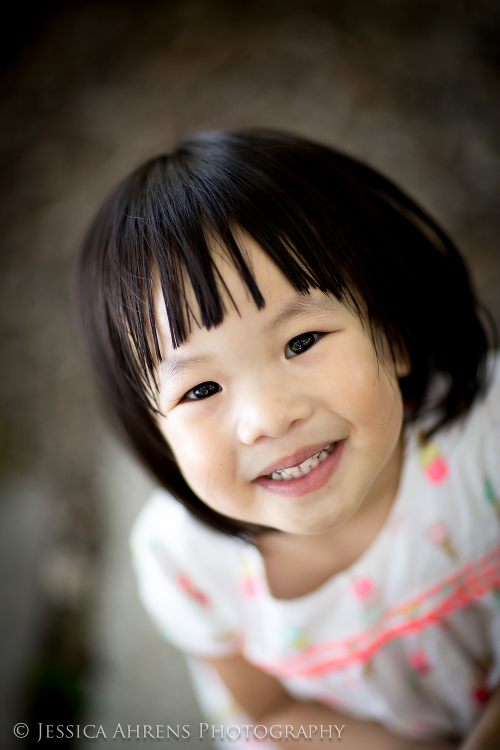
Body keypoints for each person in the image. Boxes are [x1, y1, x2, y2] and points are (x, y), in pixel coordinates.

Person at [78, 130, 500, 749]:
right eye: (199, 391)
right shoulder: (186, 562)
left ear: (395, 331)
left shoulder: (485, 446)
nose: (268, 419)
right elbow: (271, 711)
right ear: (156, 434)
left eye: (301, 342)